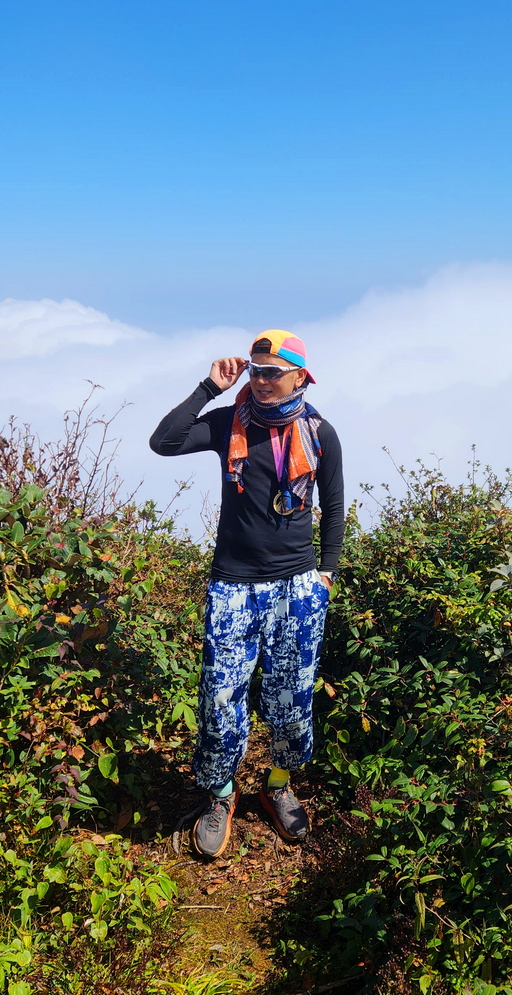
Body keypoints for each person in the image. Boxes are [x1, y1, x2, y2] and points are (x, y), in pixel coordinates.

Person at [150, 331, 344, 857]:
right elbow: (163, 442)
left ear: (300, 376)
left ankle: (277, 785)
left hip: (297, 586)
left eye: (271, 372)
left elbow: (334, 505)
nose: (260, 381)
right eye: (255, 371)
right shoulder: (228, 423)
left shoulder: (320, 432)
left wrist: (325, 574)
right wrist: (208, 388)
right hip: (233, 584)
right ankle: (220, 795)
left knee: (292, 696)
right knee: (220, 696)